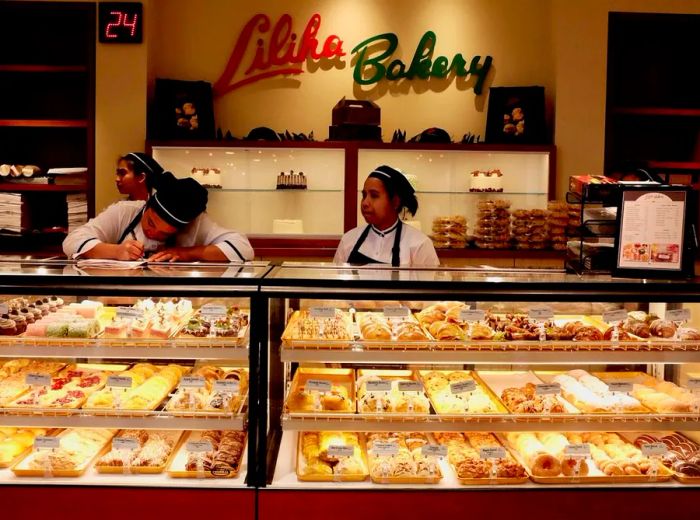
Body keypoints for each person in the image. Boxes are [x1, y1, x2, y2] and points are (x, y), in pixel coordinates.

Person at [63, 173, 254, 263]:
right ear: (146, 206)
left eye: (164, 233)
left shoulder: (197, 223)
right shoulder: (124, 212)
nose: (152, 233)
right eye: (151, 223)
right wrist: (116, 251)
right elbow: (72, 241)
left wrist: (186, 253)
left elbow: (243, 248)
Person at [334, 165, 439, 267]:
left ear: (395, 202)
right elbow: (335, 283)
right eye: (364, 195)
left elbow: (430, 284)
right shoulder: (349, 240)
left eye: (374, 195)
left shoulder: (420, 245)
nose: (365, 203)